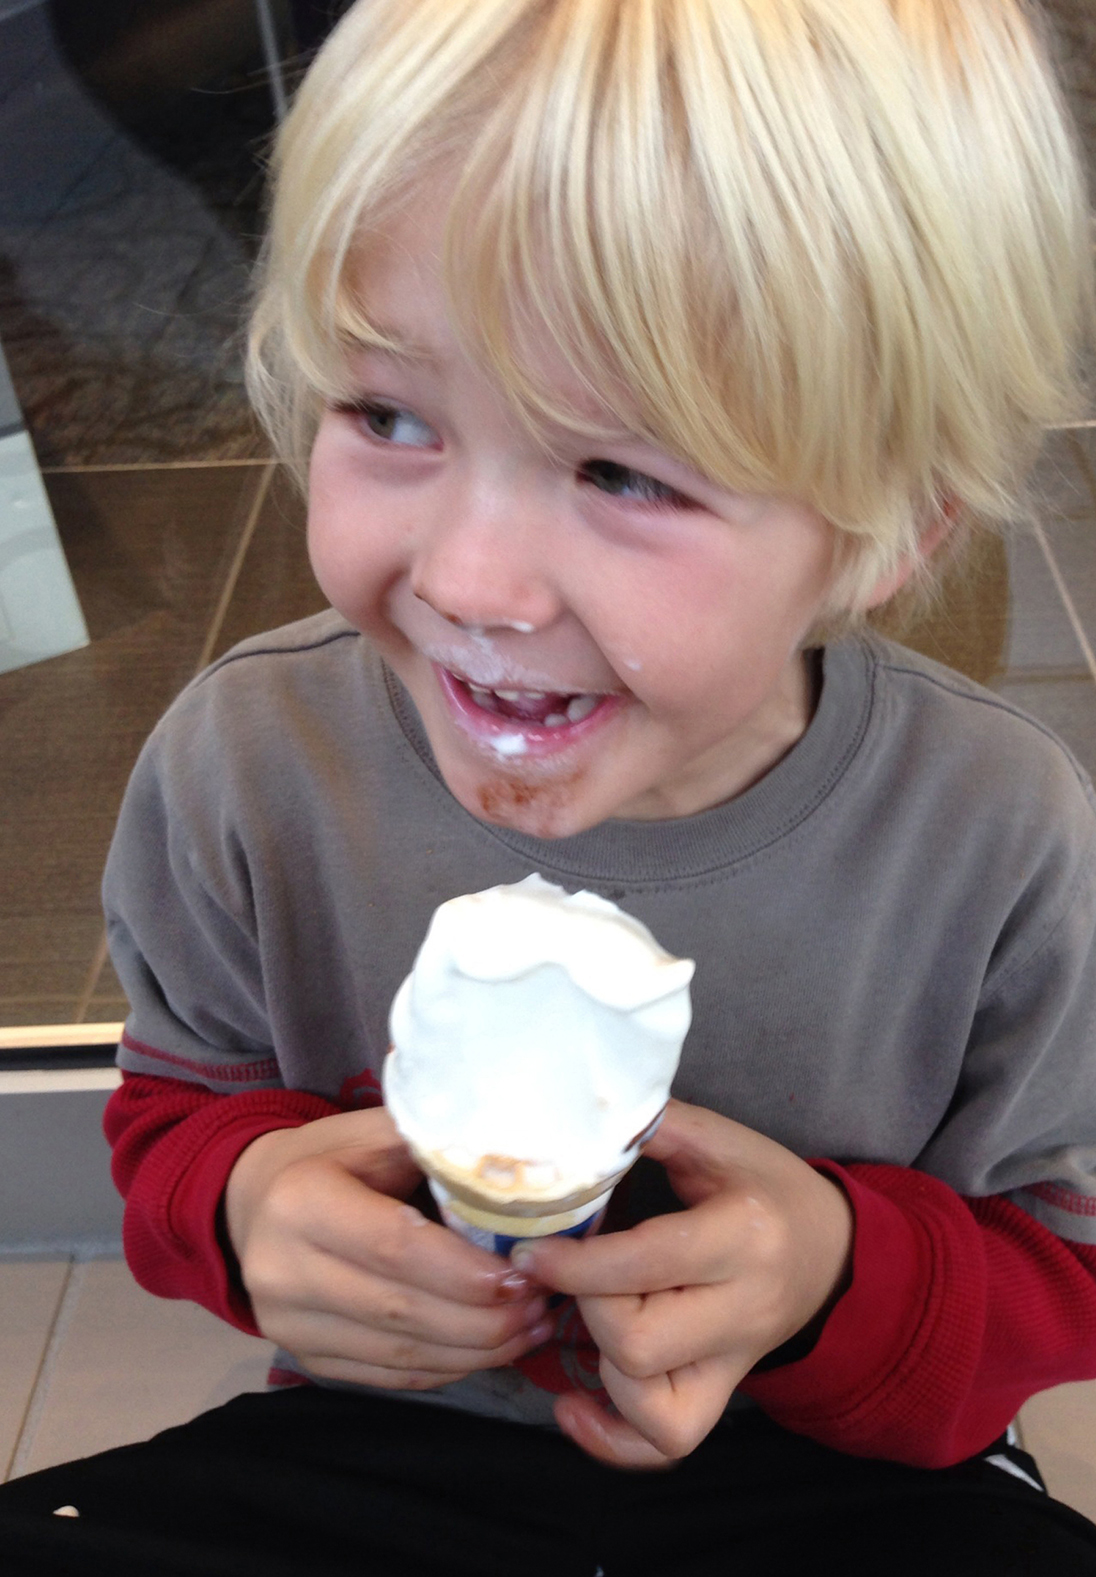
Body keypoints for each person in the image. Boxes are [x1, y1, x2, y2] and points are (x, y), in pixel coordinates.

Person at [4, 1, 1096, 1571]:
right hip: (384, 1437)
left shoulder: (997, 842)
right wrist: (244, 1208)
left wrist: (836, 1273)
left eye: (626, 471)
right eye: (387, 414)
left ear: (888, 525)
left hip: (835, 1458)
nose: (471, 578)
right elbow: (177, 1114)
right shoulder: (249, 772)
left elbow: (1060, 1264)